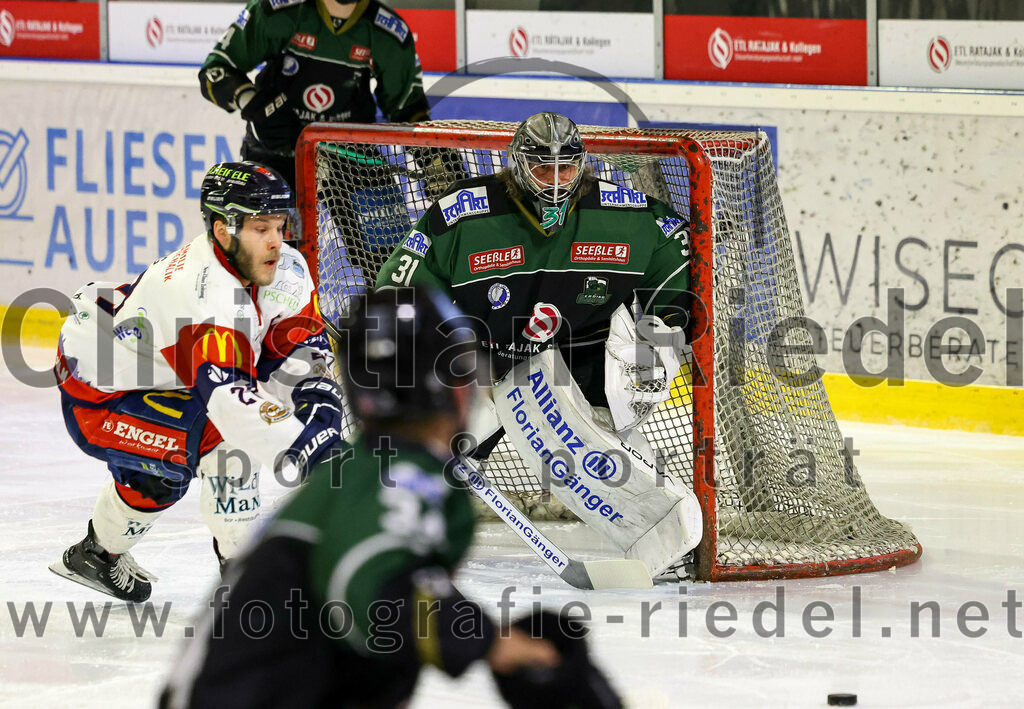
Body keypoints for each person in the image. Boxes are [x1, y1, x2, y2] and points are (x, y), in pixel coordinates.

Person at [158, 286, 623, 709]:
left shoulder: (370, 468)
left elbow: (373, 609)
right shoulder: (397, 471)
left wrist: (489, 638)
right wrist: (490, 643)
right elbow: (370, 588)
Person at [375, 112, 702, 579]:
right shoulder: (462, 214)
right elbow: (399, 292)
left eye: (565, 169)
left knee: (603, 452)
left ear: (581, 166)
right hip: (487, 356)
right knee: (440, 448)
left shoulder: (624, 214)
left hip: (584, 353)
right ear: (518, 164)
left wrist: (663, 335)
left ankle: (666, 538)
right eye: (543, 168)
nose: (555, 181)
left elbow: (678, 264)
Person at [50, 161, 345, 603]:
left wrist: (321, 407)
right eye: (260, 228)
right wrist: (316, 452)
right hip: (99, 393)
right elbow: (232, 405)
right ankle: (248, 587)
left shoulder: (286, 267)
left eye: (279, 225)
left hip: (162, 375)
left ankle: (96, 555)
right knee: (225, 446)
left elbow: (301, 347)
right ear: (223, 230)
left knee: (162, 476)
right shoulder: (200, 295)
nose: (276, 241)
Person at [199, 0, 432, 189]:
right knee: (268, 232)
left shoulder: (389, 33)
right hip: (275, 156)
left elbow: (408, 109)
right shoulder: (278, 10)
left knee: (383, 233)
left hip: (350, 164)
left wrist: (435, 162)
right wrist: (257, 105)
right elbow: (216, 70)